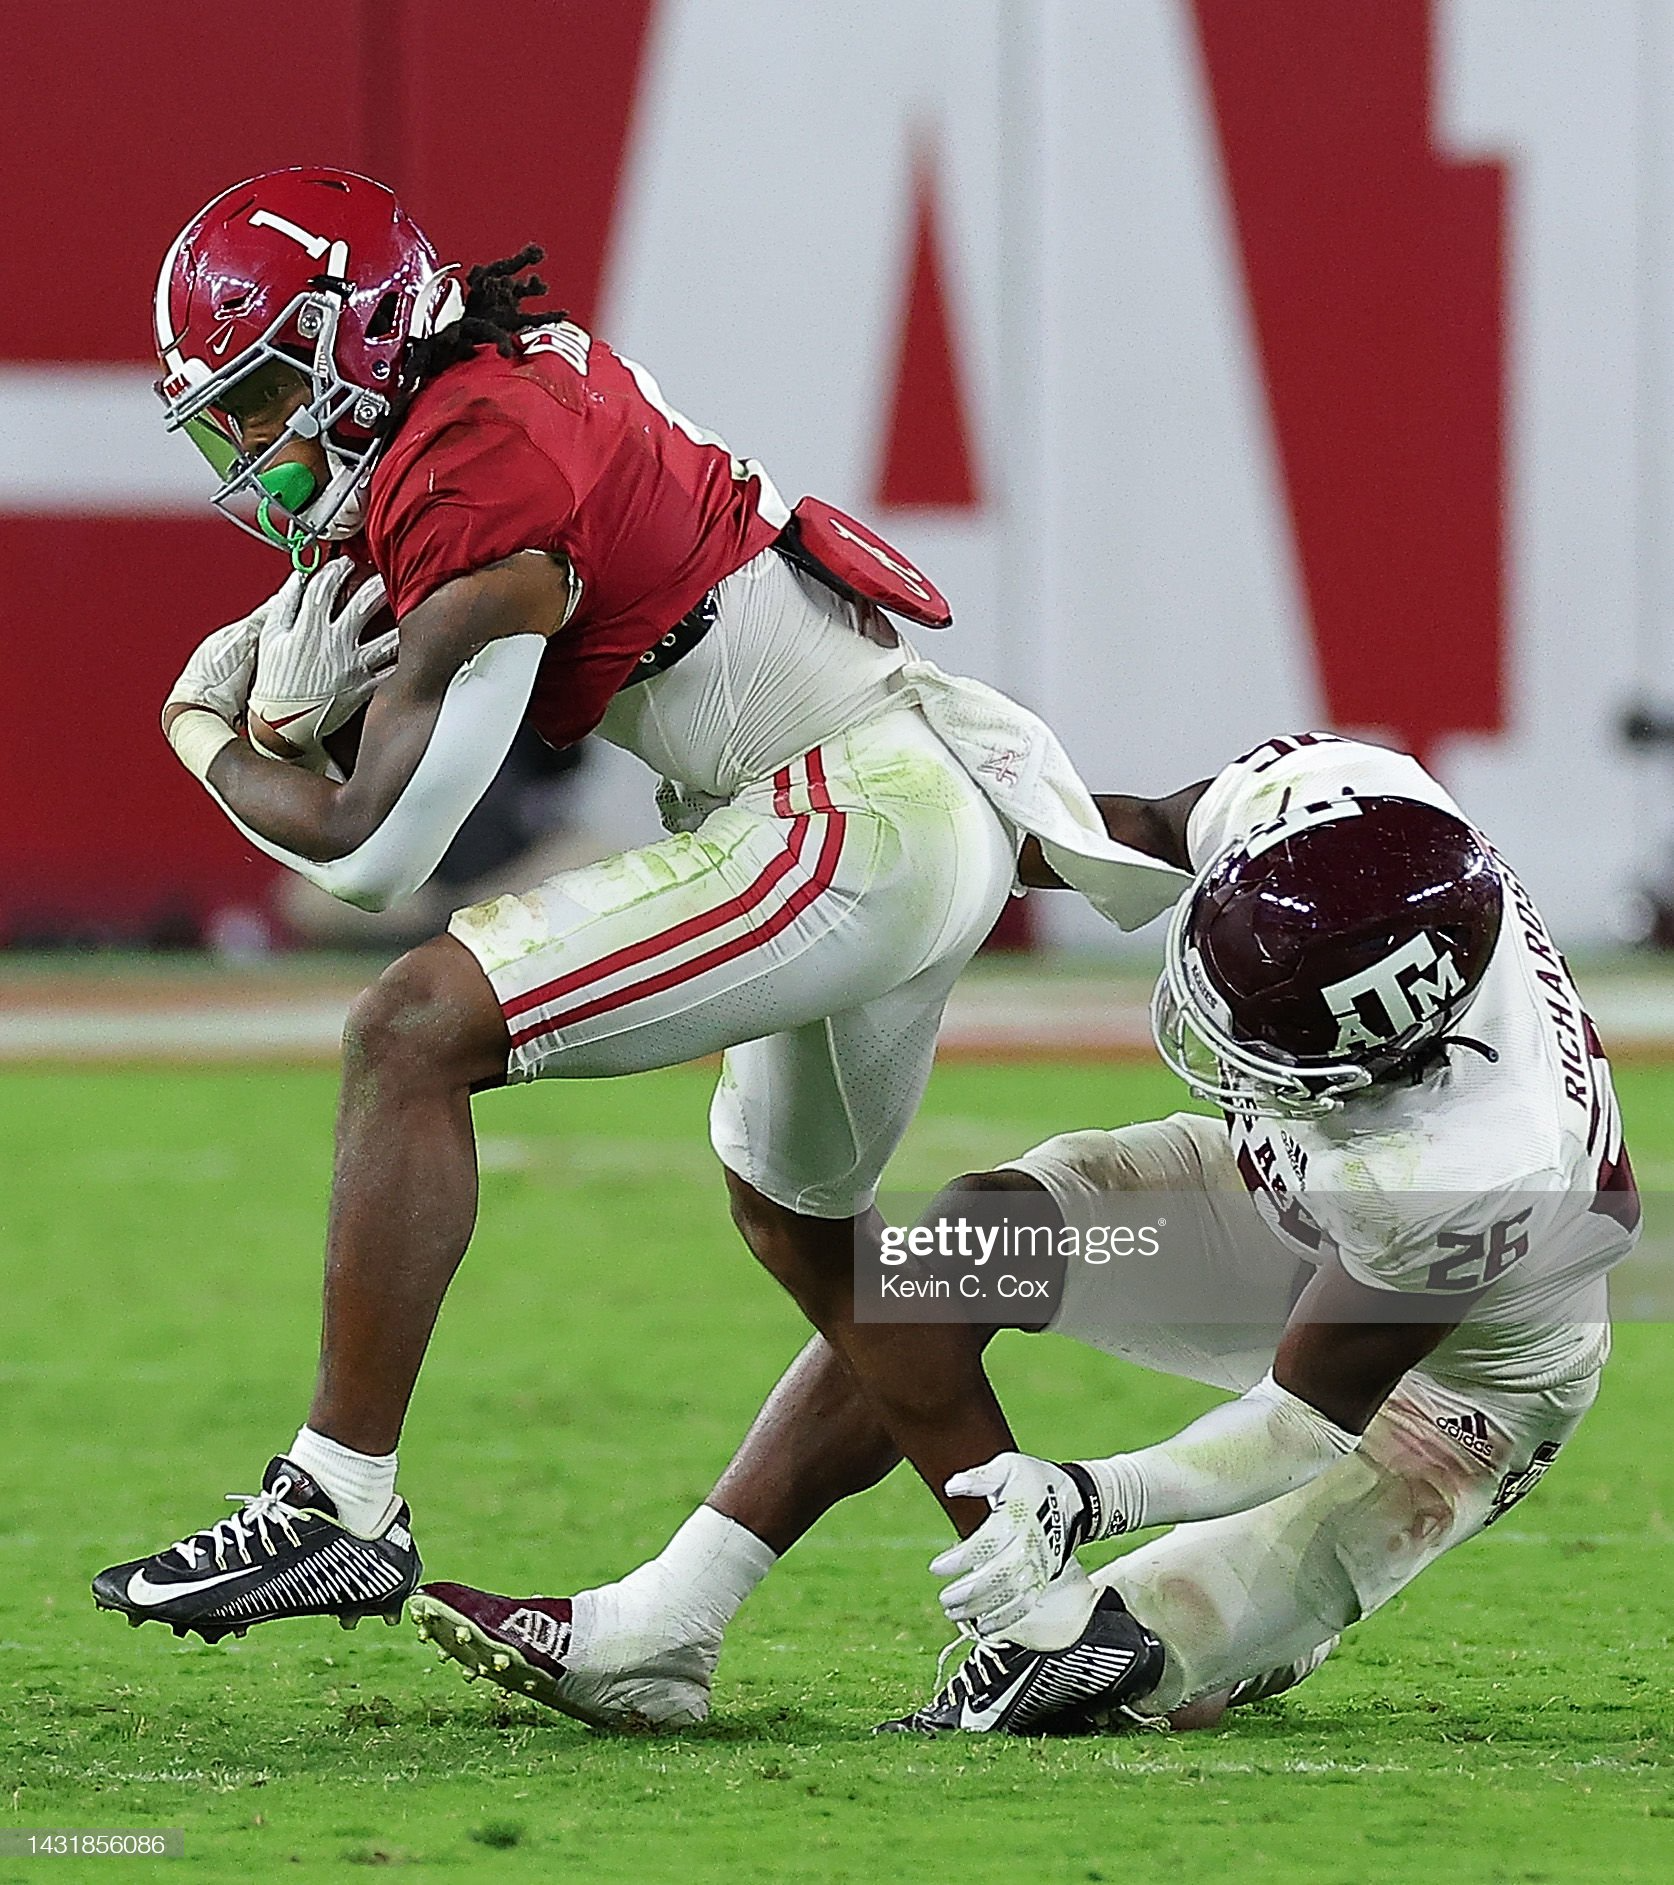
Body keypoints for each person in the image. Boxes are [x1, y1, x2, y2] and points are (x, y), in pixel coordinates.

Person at [92, 167, 1187, 1674]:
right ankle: (1039, 1620)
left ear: (359, 342)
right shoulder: (479, 393)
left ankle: (338, 1494)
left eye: (270, 391)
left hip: (838, 817)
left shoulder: (476, 480)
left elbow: (372, 852)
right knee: (813, 1238)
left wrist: (208, 735)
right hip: (893, 803)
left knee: (409, 1026)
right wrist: (327, 686)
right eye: (231, 411)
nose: (256, 446)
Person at [411, 732, 1639, 1735]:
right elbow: (1152, 832)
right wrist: (926, 841)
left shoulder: (1483, 1167)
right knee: (951, 1257)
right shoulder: (1342, 807)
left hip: (1451, 1389)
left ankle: (1236, 1640)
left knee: (1075, 1692)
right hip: (1283, 1203)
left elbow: (1303, 1416)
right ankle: (665, 1624)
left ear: (1383, 1059)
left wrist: (1082, 1495)